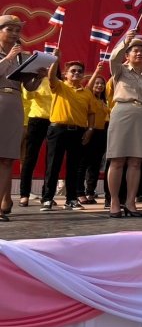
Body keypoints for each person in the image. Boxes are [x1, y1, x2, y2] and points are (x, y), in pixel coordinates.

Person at [106, 30, 142, 218]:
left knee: (136, 162)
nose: (139, 53)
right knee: (117, 160)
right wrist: (124, 41)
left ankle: (130, 202)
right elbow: (113, 59)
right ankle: (114, 201)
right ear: (127, 55)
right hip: (122, 112)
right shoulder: (119, 70)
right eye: (134, 50)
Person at [0, 15, 46, 220]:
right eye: (10, 29)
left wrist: (39, 76)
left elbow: (29, 87)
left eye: (17, 30)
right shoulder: (12, 55)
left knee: (7, 159)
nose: (15, 34)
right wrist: (9, 57)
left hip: (14, 104)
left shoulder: (22, 56)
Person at [39, 53, 96, 211]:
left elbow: (91, 113)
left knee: (74, 167)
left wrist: (89, 130)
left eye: (79, 71)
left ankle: (71, 199)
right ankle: (47, 198)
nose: (76, 73)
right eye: (73, 71)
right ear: (66, 74)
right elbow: (51, 76)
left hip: (78, 132)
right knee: (53, 165)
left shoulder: (87, 93)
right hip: (57, 130)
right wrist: (55, 60)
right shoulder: (60, 86)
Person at [77, 63, 110, 205]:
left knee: (95, 165)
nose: (99, 85)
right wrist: (97, 71)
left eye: (102, 84)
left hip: (101, 134)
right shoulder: (88, 95)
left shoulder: (105, 101)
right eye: (97, 83)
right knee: (82, 163)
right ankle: (79, 193)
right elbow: (89, 87)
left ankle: (91, 192)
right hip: (88, 132)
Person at [19, 77, 52, 207]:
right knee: (29, 158)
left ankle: (47, 195)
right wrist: (37, 79)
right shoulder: (37, 80)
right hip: (36, 120)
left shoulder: (58, 82)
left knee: (51, 161)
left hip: (54, 122)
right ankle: (24, 194)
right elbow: (27, 95)